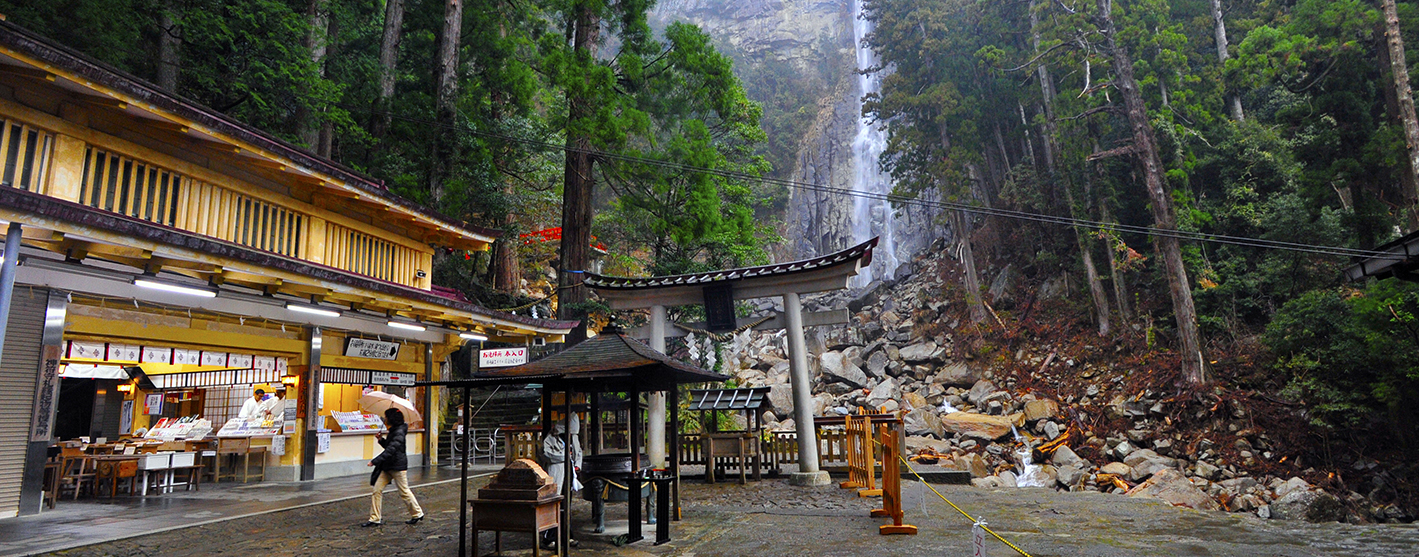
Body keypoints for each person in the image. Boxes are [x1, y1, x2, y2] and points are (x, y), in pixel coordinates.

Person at [364, 408, 424, 527]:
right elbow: (389, 446)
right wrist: (381, 440)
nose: (385, 419)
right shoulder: (394, 431)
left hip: (397, 466)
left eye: (386, 417)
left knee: (404, 491)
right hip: (388, 466)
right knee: (377, 490)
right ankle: (375, 518)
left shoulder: (399, 432)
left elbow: (391, 449)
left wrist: (375, 461)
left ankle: (417, 513)